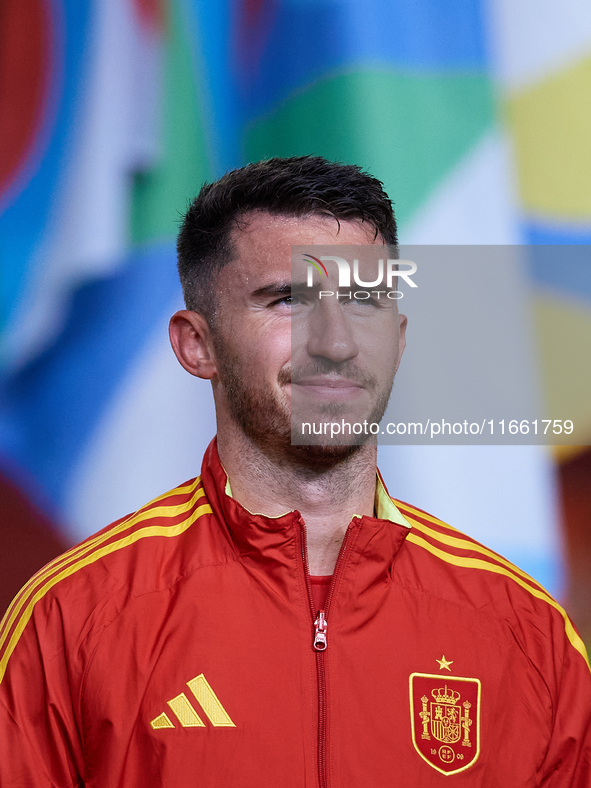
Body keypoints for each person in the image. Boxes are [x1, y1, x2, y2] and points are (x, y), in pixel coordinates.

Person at [0, 155, 589, 786]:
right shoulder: (75, 618)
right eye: (287, 300)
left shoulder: (526, 632)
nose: (334, 342)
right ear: (196, 344)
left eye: (364, 302)